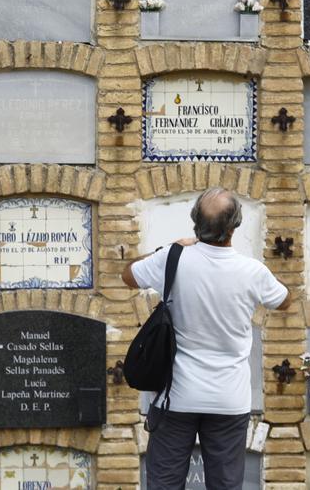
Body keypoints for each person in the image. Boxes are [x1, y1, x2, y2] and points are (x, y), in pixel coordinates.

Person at [123, 187, 292, 490]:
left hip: (175, 397)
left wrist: (170, 247)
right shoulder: (253, 272)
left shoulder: (173, 259)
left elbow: (128, 275)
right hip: (229, 399)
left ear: (195, 222)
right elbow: (284, 300)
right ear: (234, 226)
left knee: (164, 484)